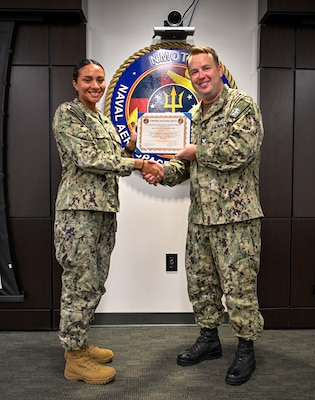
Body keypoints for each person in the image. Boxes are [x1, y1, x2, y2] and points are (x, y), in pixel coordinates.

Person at [145, 46, 264, 385]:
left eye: (205, 68)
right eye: (194, 72)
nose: (200, 76)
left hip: (236, 218)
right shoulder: (195, 114)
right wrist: (161, 172)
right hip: (201, 218)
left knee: (239, 288)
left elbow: (240, 151)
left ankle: (245, 348)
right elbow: (185, 164)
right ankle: (209, 339)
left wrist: (197, 151)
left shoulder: (241, 106)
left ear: (218, 69)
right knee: (201, 283)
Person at [52, 59, 158, 385]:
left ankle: (81, 343)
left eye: (99, 79)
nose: (95, 85)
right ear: (75, 83)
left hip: (103, 212)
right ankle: (74, 359)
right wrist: (138, 162)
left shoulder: (102, 119)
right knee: (79, 284)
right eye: (88, 80)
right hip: (78, 215)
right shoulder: (67, 115)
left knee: (95, 282)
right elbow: (89, 159)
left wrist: (133, 140)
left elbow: (114, 151)